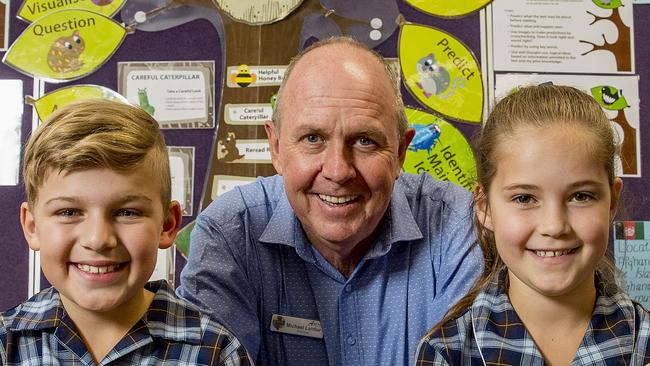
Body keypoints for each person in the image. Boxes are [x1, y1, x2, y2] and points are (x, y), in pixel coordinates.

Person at [176, 36, 482, 366]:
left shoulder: (457, 226)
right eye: (313, 138)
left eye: (365, 140)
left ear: (400, 152)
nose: (338, 171)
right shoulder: (230, 234)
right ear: (276, 148)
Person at [0, 100, 252, 365]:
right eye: (69, 212)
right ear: (32, 226)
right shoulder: (6, 345)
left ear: (167, 225)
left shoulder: (216, 352)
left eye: (127, 213)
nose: (98, 240)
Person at [415, 84, 650, 365]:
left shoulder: (644, 342)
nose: (554, 226)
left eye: (580, 196)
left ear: (611, 202)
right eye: (524, 198)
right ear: (484, 207)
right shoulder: (446, 352)